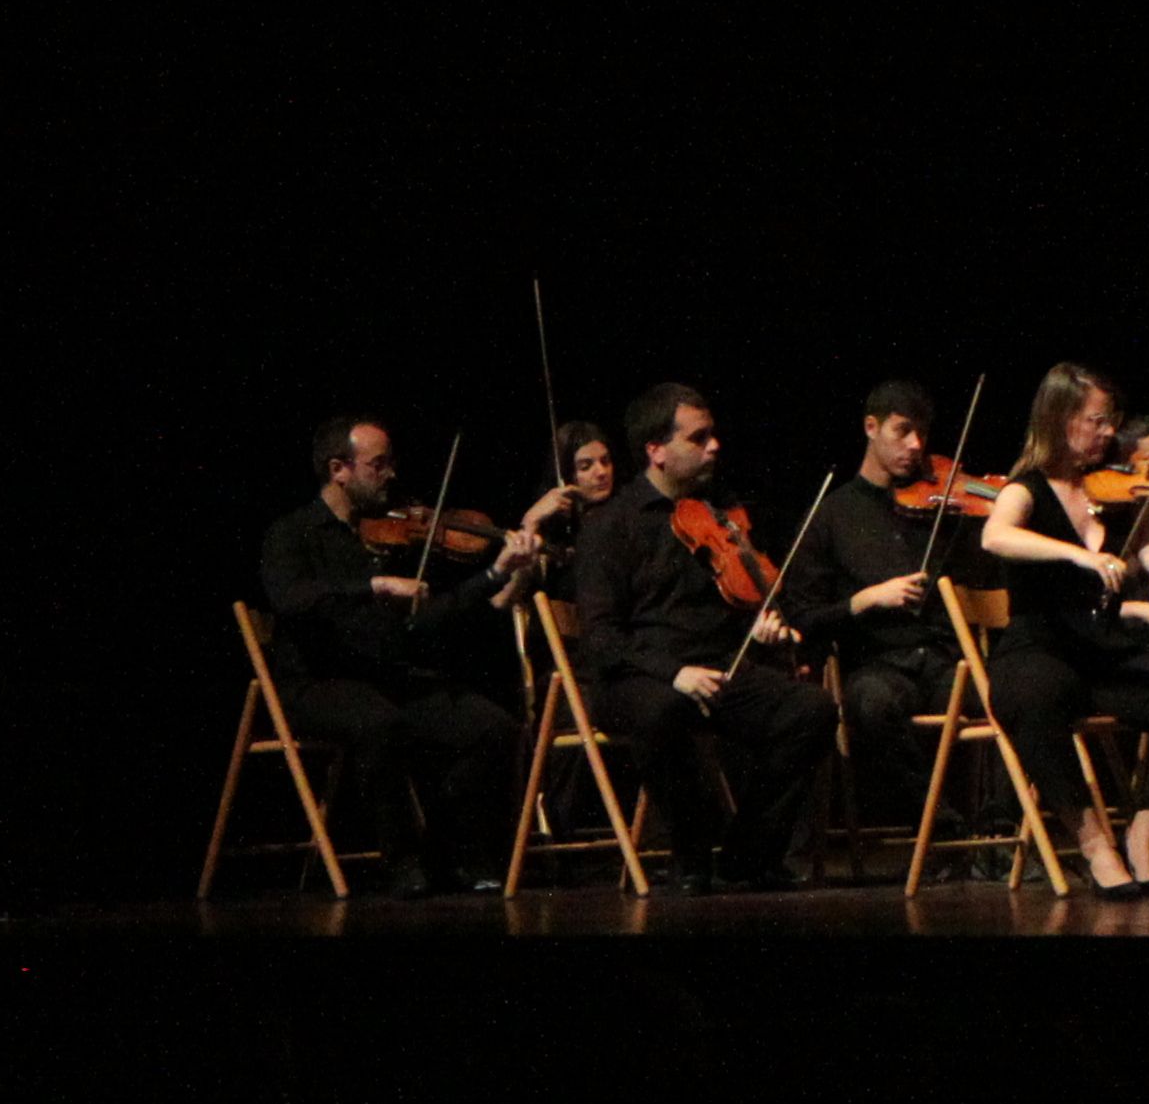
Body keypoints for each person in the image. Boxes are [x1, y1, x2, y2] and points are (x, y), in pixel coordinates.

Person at [977, 363, 1149, 899]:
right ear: (1059, 419)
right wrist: (1078, 555)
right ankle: (1094, 844)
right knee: (1036, 697)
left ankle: (1143, 833)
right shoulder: (1026, 489)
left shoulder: (1116, 497)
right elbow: (995, 537)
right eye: (1097, 421)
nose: (1108, 433)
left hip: (1099, 653)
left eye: (1110, 422)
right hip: (1036, 649)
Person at [570, 381, 840, 893]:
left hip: (718, 667)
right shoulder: (610, 525)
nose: (714, 446)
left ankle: (747, 851)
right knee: (663, 710)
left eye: (712, 435)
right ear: (656, 451)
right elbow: (602, 641)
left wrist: (759, 631)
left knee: (810, 710)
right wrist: (674, 673)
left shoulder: (718, 512)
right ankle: (690, 855)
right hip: (639, 676)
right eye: (698, 438)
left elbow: (732, 607)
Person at [260, 415, 543, 895]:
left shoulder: (386, 537)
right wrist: (372, 585)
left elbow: (427, 618)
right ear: (338, 469)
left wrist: (495, 573)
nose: (391, 474)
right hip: (315, 682)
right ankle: (403, 863)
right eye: (378, 464)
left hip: (385, 677)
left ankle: (452, 852)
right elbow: (290, 598)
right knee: (380, 724)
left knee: (491, 728)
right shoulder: (293, 534)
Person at [808, 380, 983, 832]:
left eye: (922, 433)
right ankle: (941, 828)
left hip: (946, 660)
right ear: (871, 427)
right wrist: (863, 601)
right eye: (902, 431)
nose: (916, 445)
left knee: (1008, 695)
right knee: (869, 705)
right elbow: (803, 614)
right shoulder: (834, 515)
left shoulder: (943, 505)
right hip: (879, 664)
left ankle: (997, 828)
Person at [514, 420, 616, 597]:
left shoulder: (624, 514)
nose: (601, 472)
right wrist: (531, 520)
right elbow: (515, 594)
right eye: (586, 467)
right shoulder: (557, 526)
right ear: (566, 475)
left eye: (605, 461)